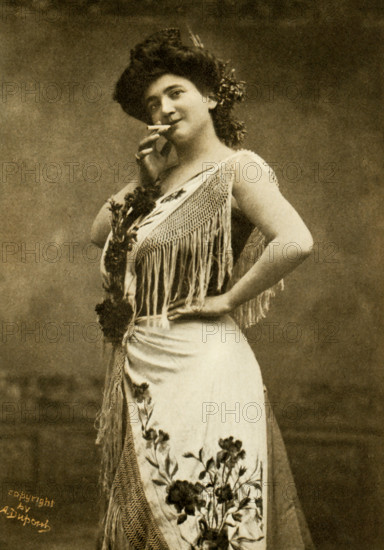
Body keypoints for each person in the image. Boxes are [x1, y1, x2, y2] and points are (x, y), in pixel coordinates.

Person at [91, 28, 315, 550]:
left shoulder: (239, 168)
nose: (163, 107)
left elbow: (296, 240)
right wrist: (146, 176)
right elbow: (99, 231)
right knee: (152, 507)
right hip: (143, 364)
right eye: (152, 102)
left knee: (207, 513)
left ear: (210, 96)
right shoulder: (159, 182)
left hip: (204, 366)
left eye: (175, 92)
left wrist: (228, 300)